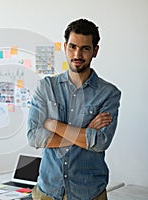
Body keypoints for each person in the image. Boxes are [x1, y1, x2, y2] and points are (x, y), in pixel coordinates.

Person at [27, 18, 121, 200]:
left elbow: (100, 142)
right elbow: (34, 137)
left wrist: (53, 124)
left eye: (85, 48)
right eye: (72, 46)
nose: (77, 54)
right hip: (47, 193)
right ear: (65, 47)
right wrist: (85, 134)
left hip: (89, 194)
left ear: (95, 51)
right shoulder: (46, 88)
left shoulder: (109, 94)